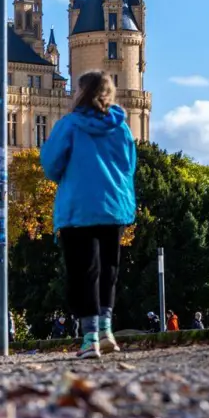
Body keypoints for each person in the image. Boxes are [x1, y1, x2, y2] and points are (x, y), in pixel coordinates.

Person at [41, 70, 138, 360]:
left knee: (83, 273)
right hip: (113, 205)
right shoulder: (122, 127)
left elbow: (50, 165)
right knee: (108, 269)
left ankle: (90, 338)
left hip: (78, 207)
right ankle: (107, 329)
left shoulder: (69, 125)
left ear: (82, 93)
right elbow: (129, 165)